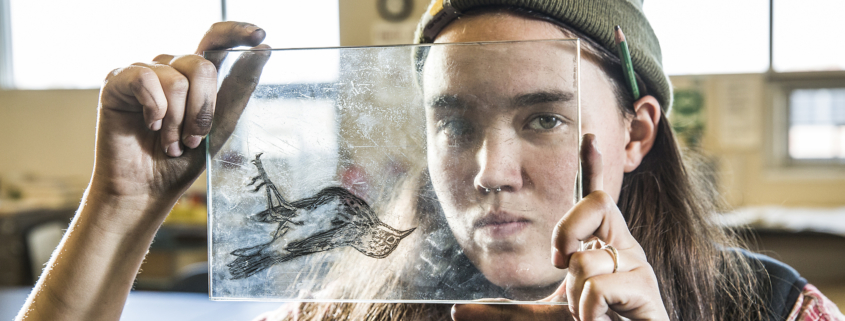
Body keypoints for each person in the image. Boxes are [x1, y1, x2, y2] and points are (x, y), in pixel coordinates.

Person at [14, 1, 845, 321]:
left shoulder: (764, 303)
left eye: (546, 118)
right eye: (452, 123)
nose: (489, 168)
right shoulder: (341, 311)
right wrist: (122, 207)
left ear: (633, 133)